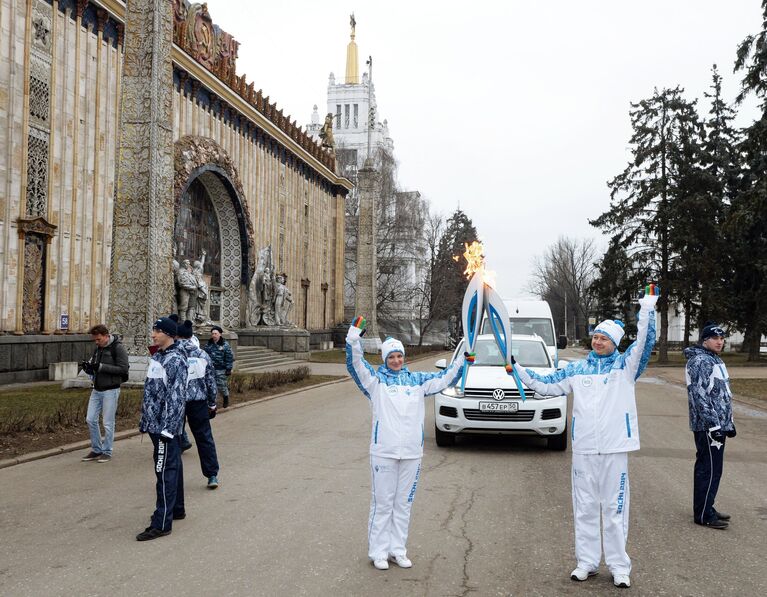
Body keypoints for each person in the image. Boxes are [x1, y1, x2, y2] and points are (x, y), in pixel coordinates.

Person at [511, 285, 658, 589]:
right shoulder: (577, 369)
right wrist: (519, 370)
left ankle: (619, 566)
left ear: (614, 342)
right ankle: (587, 562)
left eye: (604, 338)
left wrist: (647, 308)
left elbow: (644, 343)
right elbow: (547, 384)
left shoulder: (625, 367)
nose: (598, 341)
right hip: (585, 450)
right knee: (586, 507)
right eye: (596, 337)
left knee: (615, 508)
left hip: (615, 448)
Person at [345, 316, 466, 571]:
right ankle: (378, 551)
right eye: (391, 357)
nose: (396, 360)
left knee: (403, 504)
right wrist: (353, 338)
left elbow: (446, 379)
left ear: (404, 357)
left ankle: (397, 550)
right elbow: (356, 364)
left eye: (399, 356)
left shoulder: (417, 381)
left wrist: (464, 356)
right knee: (383, 503)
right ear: (385, 359)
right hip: (384, 453)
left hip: (412, 453)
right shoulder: (375, 382)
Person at [136, 317, 188, 542]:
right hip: (155, 424)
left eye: (157, 331)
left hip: (164, 427)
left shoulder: (175, 360)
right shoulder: (158, 356)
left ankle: (161, 522)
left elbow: (176, 398)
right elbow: (152, 392)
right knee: (171, 466)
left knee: (164, 471)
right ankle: (176, 509)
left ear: (168, 333)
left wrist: (169, 428)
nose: (153, 334)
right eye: (153, 330)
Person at [684, 322, 735, 530]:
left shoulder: (714, 359)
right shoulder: (699, 361)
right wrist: (714, 425)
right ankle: (704, 514)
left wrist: (728, 423)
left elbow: (722, 395)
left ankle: (707, 507)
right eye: (715, 338)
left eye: (722, 338)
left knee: (713, 469)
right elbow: (700, 396)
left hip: (718, 425)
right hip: (708, 427)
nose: (720, 342)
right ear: (705, 340)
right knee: (709, 469)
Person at [177, 320, 221, 489]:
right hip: (198, 402)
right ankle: (212, 475)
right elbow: (210, 381)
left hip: (177, 402)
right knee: (204, 438)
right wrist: (212, 403)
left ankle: (171, 477)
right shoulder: (202, 355)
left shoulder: (170, 353)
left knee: (173, 439)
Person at [80, 324, 130, 463]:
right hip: (97, 389)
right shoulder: (98, 349)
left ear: (106, 336)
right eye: (94, 340)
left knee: (108, 422)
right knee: (90, 419)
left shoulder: (117, 348)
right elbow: (96, 369)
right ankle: (96, 449)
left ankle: (107, 450)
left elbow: (123, 369)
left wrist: (101, 367)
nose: (96, 342)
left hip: (111, 390)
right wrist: (88, 368)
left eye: (98, 339)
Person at [205, 325, 234, 408]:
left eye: (215, 333)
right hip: (211, 369)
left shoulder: (225, 345)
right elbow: (205, 356)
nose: (214, 335)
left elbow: (229, 357)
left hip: (221, 369)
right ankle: (212, 402)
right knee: (211, 386)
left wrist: (228, 368)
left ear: (220, 334)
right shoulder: (209, 344)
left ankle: (225, 397)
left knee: (221, 385)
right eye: (212, 333)